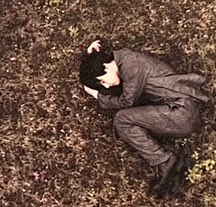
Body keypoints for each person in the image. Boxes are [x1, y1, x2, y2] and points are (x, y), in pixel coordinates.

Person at [78, 38, 209, 198]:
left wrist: (98, 96)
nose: (106, 85)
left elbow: (126, 102)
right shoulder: (123, 60)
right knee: (125, 118)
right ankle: (166, 159)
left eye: (103, 81)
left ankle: (165, 161)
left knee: (122, 120)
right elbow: (111, 79)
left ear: (105, 67)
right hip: (181, 109)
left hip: (182, 113)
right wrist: (92, 58)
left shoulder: (131, 67)